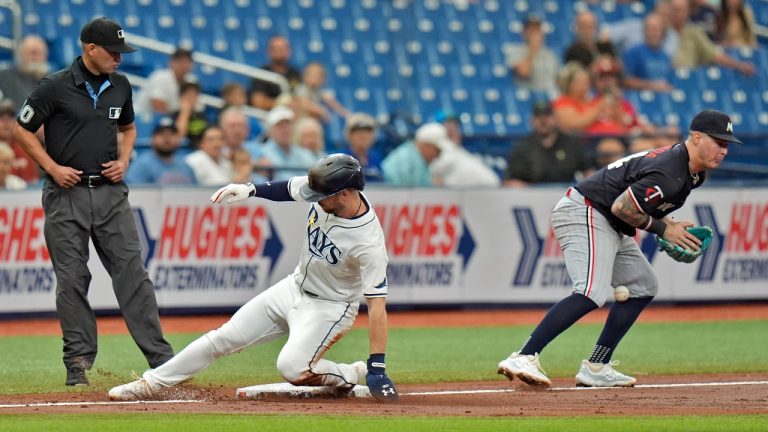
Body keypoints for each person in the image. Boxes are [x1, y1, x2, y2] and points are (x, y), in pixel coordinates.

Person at [108, 154, 398, 402]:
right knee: (222, 338)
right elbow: (289, 188)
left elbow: (376, 306)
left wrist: (377, 366)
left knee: (293, 368)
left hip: (330, 307)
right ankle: (151, 383)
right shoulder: (329, 192)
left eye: (323, 196)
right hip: (293, 287)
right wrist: (248, 190)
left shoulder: (368, 242)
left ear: (346, 194)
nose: (315, 199)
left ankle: (349, 373)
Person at [497, 109, 739, 387]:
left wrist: (667, 225)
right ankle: (524, 355)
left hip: (610, 220)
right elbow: (622, 207)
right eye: (719, 142)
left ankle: (596, 367)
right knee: (591, 291)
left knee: (643, 286)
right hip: (586, 209)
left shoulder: (693, 174)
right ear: (696, 137)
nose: (724, 150)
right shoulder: (670, 169)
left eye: (727, 145)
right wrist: (663, 229)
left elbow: (638, 206)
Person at [12, 17, 174, 386]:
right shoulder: (52, 86)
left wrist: (125, 160)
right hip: (65, 194)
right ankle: (78, 366)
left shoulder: (121, 85)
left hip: (110, 193)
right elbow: (22, 130)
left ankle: (162, 361)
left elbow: (129, 127)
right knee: (72, 279)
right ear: (90, 49)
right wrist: (52, 167)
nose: (119, 58)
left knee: (133, 274)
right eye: (113, 52)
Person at [504, 100, 590, 187]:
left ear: (555, 119)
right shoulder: (521, 148)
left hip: (566, 195)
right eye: (539, 117)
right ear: (531, 121)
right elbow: (510, 182)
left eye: (547, 116)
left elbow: (589, 173)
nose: (543, 121)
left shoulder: (572, 144)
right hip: (532, 196)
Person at [669, 0, 754, 74]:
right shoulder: (661, 31)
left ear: (688, 12)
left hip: (688, 77)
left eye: (682, 11)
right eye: (676, 10)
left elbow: (715, 55)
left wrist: (738, 65)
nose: (679, 14)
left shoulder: (694, 32)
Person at [415, 123, 500, 187]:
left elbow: (433, 178)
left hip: (485, 190)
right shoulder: (450, 149)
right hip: (479, 190)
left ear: (429, 145)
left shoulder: (447, 154)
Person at [125, 116, 196, 185]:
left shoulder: (186, 166)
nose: (167, 138)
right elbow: (133, 193)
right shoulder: (141, 165)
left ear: (179, 139)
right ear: (152, 139)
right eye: (161, 134)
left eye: (172, 134)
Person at [505, 13, 560, 95]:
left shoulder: (549, 53)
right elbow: (524, 72)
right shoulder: (514, 50)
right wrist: (533, 50)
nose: (535, 33)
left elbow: (558, 79)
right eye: (531, 30)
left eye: (538, 29)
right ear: (524, 32)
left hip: (550, 94)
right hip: (528, 95)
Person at [134, 47, 196, 117]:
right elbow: (158, 108)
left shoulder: (192, 81)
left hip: (171, 121)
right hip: (141, 118)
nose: (184, 65)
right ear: (171, 62)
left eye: (187, 62)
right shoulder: (160, 77)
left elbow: (195, 107)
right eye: (180, 61)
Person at [622, 13, 675, 93]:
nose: (655, 33)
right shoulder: (633, 52)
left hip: (662, 101)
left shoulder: (665, 56)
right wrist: (653, 86)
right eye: (651, 29)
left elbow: (668, 82)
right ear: (644, 31)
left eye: (658, 29)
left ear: (663, 33)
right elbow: (626, 81)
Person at [261, 106, 317, 180]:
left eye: (287, 125)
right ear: (269, 130)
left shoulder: (304, 154)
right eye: (280, 126)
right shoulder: (260, 153)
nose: (285, 130)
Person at [249, 35, 302, 110]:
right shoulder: (261, 74)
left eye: (282, 48)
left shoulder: (296, 74)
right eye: (275, 49)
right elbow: (258, 102)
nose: (279, 51)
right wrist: (282, 104)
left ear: (289, 51)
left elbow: (302, 99)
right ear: (268, 52)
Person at [0, 35, 49, 109]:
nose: (36, 58)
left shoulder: (52, 80)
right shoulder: (5, 77)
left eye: (40, 53)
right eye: (33, 53)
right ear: (21, 54)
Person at [0, 99, 40, 183]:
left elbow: (33, 182)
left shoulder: (26, 148)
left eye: (10, 118)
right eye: (1, 118)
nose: (6, 122)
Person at [341, 113, 384, 183]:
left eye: (367, 132)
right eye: (358, 132)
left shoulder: (376, 158)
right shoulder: (341, 159)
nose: (363, 136)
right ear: (349, 135)